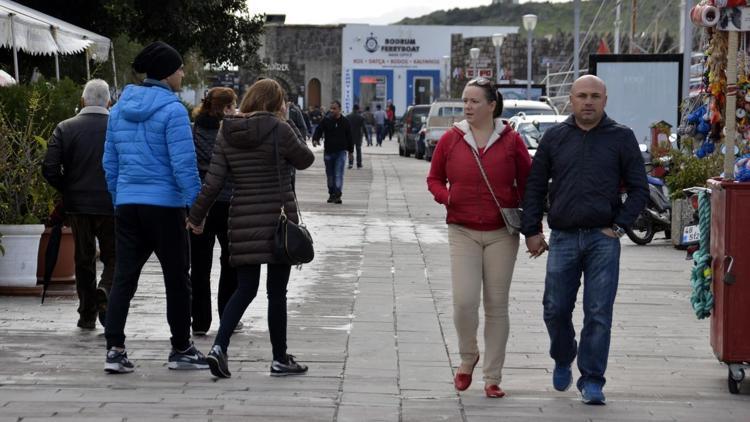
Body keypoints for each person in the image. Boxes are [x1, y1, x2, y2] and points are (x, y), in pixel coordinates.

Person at [521, 75, 648, 405]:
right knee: (554, 309)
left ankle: (592, 379)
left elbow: (639, 190)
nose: (588, 101)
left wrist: (619, 226)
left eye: (595, 96)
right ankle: (564, 355)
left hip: (602, 240)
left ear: (605, 100)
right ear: (571, 100)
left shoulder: (621, 138)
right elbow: (534, 186)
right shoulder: (555, 138)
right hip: (561, 238)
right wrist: (532, 231)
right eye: (581, 96)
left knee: (598, 313)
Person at [186, 78, 315, 379]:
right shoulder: (280, 128)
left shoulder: (226, 131)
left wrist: (195, 216)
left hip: (242, 220)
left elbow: (214, 182)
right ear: (275, 103)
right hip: (277, 223)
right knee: (276, 293)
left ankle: (219, 347)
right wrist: (288, 122)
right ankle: (279, 359)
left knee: (245, 288)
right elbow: (306, 159)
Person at [102, 41, 207, 374]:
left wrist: (120, 198)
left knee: (123, 279)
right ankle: (181, 349)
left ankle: (115, 350)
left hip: (129, 205)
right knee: (177, 279)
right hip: (165, 207)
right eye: (179, 68)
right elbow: (184, 166)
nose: (182, 73)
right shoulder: (173, 110)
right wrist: (196, 208)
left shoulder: (118, 109)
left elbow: (110, 163)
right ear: (166, 73)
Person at [427, 77, 531, 398]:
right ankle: (467, 355)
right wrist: (447, 197)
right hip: (462, 230)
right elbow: (434, 178)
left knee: (497, 305)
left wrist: (534, 227)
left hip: (502, 233)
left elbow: (529, 183)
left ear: (491, 105)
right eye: (465, 101)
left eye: (474, 101)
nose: (468, 107)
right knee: (464, 302)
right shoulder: (452, 138)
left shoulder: (512, 141)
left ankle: (492, 377)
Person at [42, 79, 115, 330]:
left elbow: (49, 168)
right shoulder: (118, 127)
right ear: (109, 101)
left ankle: (87, 315)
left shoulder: (65, 127)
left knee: (83, 259)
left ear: (83, 101)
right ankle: (105, 289)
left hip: (77, 205)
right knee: (115, 256)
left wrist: (68, 188)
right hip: (112, 203)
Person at [190, 87, 238, 336]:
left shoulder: (193, 130)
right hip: (229, 202)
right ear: (228, 107)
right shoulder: (234, 132)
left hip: (201, 204)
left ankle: (199, 321)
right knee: (230, 263)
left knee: (199, 265)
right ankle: (227, 316)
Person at [312, 100, 353, 204]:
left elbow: (349, 137)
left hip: (341, 152)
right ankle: (331, 193)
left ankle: (338, 194)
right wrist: (315, 139)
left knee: (338, 174)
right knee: (330, 174)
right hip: (329, 152)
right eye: (331, 108)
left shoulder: (345, 122)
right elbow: (319, 130)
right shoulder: (326, 120)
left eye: (334, 108)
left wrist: (351, 152)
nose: (332, 110)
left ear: (339, 109)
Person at [346, 104, 365, 169]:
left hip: (350, 136)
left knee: (350, 151)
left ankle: (350, 163)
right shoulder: (361, 118)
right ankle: (359, 164)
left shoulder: (348, 117)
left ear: (353, 108)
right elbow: (364, 128)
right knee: (358, 150)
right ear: (358, 109)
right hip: (358, 136)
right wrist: (367, 137)